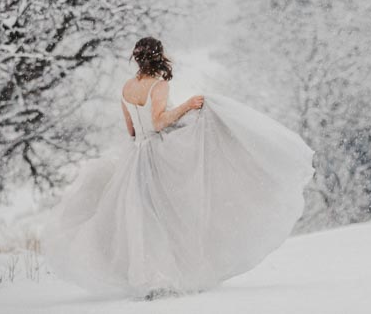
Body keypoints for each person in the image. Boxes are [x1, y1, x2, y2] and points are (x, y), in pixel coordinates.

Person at [42, 37, 315, 298]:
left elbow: (132, 131)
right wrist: (188, 106)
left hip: (135, 156)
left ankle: (148, 275)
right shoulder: (158, 85)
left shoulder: (126, 87)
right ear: (158, 56)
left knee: (142, 216)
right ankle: (165, 275)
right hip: (156, 157)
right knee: (170, 214)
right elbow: (159, 122)